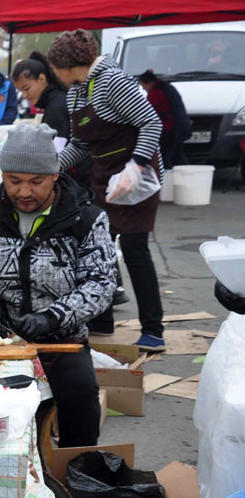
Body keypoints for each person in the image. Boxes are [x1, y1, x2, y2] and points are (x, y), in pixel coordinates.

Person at [0, 123, 116, 447]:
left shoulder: (85, 219)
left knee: (80, 405)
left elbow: (100, 283)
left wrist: (53, 316)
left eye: (36, 182)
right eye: (14, 181)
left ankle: (75, 478)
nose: (23, 192)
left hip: (63, 341)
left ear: (54, 176)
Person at [49, 29, 166, 351]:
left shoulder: (113, 82)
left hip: (137, 179)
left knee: (135, 248)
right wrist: (50, 168)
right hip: (104, 177)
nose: (54, 74)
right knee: (99, 247)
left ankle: (153, 330)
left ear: (66, 64)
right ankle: (101, 319)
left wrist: (136, 166)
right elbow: (80, 144)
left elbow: (151, 123)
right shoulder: (76, 92)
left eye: (54, 67)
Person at [139, 70, 191, 170]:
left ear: (149, 83)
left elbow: (149, 111)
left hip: (169, 129)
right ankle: (184, 175)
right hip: (180, 127)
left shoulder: (155, 93)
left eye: (143, 86)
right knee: (177, 155)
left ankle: (167, 178)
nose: (143, 89)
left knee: (166, 155)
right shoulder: (167, 87)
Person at [11, 51, 70, 139]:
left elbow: (55, 150)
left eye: (26, 88)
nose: (24, 95)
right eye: (20, 90)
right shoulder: (56, 100)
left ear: (42, 78)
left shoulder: (56, 108)